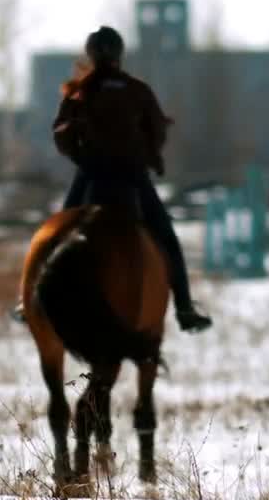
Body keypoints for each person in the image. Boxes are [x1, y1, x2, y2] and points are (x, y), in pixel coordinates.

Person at [13, 25, 213, 333]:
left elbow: (62, 134)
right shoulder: (138, 90)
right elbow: (157, 130)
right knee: (166, 237)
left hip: (92, 174)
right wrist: (147, 156)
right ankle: (185, 308)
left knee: (53, 235)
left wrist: (82, 159)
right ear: (120, 54)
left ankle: (32, 301)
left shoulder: (80, 91)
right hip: (133, 177)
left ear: (91, 56)